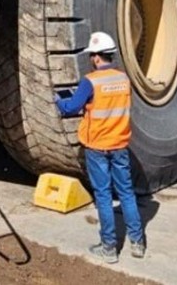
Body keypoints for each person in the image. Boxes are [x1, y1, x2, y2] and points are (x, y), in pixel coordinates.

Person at [54, 32, 145, 264]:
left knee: (103, 196)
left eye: (91, 56)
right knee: (126, 193)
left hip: (97, 147)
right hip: (120, 144)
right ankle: (137, 244)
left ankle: (109, 248)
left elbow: (72, 107)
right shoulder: (124, 79)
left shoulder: (90, 81)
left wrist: (59, 100)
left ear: (96, 57)